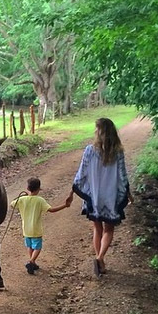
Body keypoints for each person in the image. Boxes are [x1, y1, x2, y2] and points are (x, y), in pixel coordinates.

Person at [66, 117, 134, 278]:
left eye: (97, 129)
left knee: (97, 228)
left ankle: (99, 260)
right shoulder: (118, 152)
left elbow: (81, 174)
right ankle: (100, 258)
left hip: (94, 196)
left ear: (100, 132)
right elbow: (123, 176)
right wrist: (128, 193)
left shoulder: (90, 150)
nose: (95, 131)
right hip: (111, 197)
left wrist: (72, 192)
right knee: (109, 229)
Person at [12, 177, 70, 274]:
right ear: (38, 189)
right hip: (36, 229)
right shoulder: (40, 200)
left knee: (30, 246)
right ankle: (31, 261)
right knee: (37, 247)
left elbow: (12, 204)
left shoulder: (22, 199)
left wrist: (22, 197)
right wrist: (65, 205)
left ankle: (33, 262)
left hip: (26, 229)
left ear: (27, 188)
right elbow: (51, 210)